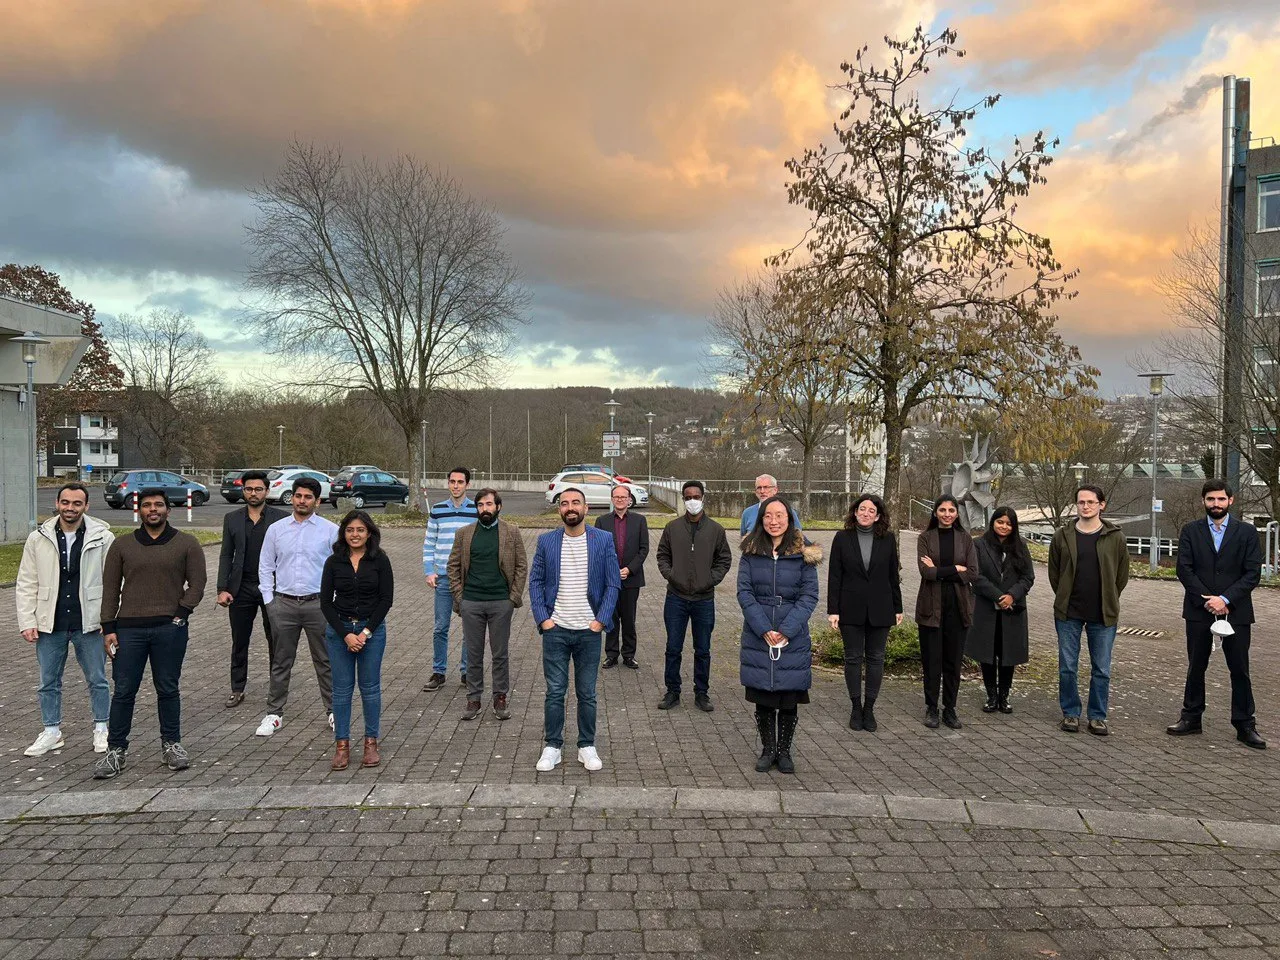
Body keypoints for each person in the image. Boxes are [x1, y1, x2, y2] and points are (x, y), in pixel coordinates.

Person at [93, 488, 207, 779]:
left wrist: (181, 614)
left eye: (158, 505)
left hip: (169, 629)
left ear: (169, 509)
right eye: (146, 505)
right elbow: (109, 590)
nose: (152, 509)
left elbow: (197, 584)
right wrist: (108, 628)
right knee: (124, 691)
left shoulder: (187, 544)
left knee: (168, 688)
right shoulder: (121, 546)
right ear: (139, 510)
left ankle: (172, 744)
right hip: (128, 629)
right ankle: (116, 750)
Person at [15, 482, 114, 756]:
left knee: (97, 679)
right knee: (48, 681)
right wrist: (27, 621)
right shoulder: (38, 538)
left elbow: (114, 581)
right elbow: (26, 582)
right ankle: (51, 731)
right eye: (66, 502)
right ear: (58, 504)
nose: (70, 508)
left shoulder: (103, 537)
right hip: (51, 622)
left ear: (86, 506)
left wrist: (110, 620)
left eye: (77, 503)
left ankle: (102, 728)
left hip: (90, 622)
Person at [1166, 481, 1266, 748]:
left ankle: (1245, 724)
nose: (1216, 504)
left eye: (1221, 499)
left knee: (1240, 669)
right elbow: (1184, 570)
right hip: (1200, 610)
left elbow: (1252, 572)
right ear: (1203, 501)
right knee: (1196, 666)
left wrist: (1225, 600)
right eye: (1211, 499)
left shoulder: (1246, 532)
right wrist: (1209, 601)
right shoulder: (1190, 531)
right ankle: (1191, 718)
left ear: (1231, 501)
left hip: (1236, 610)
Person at [529, 487, 621, 773]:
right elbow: (535, 581)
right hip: (556, 629)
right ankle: (552, 746)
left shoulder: (603, 540)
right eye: (565, 503)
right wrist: (544, 619)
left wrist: (601, 620)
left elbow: (613, 583)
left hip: (589, 631)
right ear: (559, 510)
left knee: (587, 693)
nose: (570, 507)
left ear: (586, 508)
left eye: (576, 502)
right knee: (555, 692)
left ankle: (586, 745)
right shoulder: (546, 542)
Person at [738, 497, 820, 774]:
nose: (774, 521)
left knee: (787, 699)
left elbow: (810, 596)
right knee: (764, 697)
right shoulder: (750, 551)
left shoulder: (804, 552)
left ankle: (784, 751)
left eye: (780, 515)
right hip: (759, 634)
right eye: (768, 516)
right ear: (761, 519)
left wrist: (786, 630)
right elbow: (744, 593)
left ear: (790, 518)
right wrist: (763, 629)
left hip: (792, 636)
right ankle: (767, 749)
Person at [255, 476, 339, 737]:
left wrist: (333, 601)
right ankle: (274, 713)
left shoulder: (329, 530)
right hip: (284, 604)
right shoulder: (276, 530)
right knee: (281, 661)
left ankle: (335, 712)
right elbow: (266, 566)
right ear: (292, 498)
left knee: (326, 661)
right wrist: (270, 602)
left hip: (318, 605)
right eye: (298, 496)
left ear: (317, 501)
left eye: (308, 497)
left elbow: (339, 567)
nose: (302, 501)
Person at [1048, 484, 1130, 737]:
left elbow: (1121, 575)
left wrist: (1109, 597)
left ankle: (1097, 716)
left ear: (1101, 505)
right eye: (1081, 502)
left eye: (1091, 502)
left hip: (1102, 613)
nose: (1085, 506)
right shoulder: (1063, 535)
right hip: (1069, 612)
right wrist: (1063, 595)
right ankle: (1071, 713)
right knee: (1067, 667)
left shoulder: (1115, 536)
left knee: (1101, 668)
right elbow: (1054, 572)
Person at [320, 510, 394, 770]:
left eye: (360, 530)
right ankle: (342, 745)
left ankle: (371, 742)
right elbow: (325, 603)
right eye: (350, 530)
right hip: (340, 631)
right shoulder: (333, 562)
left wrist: (364, 633)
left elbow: (386, 600)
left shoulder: (380, 560)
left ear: (369, 533)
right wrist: (346, 634)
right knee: (341, 690)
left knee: (370, 687)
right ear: (343, 533)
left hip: (371, 632)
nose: (355, 534)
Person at [448, 488, 528, 721]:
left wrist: (512, 598)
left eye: (489, 504)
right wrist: (460, 598)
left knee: (500, 654)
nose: (485, 509)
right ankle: (474, 699)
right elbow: (452, 566)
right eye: (481, 505)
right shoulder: (464, 533)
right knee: (473, 654)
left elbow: (521, 566)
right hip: (471, 603)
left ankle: (499, 697)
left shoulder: (511, 532)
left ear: (498, 507)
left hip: (500, 603)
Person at [827, 493, 902, 733]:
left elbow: (893, 577)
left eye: (871, 510)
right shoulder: (841, 538)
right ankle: (855, 706)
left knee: (876, 658)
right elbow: (834, 576)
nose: (866, 513)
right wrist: (833, 610)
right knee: (852, 658)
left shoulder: (888, 539)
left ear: (878, 515)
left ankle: (869, 708)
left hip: (882, 608)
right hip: (850, 608)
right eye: (862, 509)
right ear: (855, 512)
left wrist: (898, 608)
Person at [656, 479, 732, 712]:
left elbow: (724, 560)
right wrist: (671, 575)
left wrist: (710, 580)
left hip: (704, 599)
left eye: (696, 497)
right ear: (683, 499)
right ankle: (672, 691)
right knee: (673, 648)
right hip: (676, 598)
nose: (692, 501)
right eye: (687, 497)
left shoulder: (716, 530)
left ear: (703, 498)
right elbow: (662, 555)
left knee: (703, 649)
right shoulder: (672, 527)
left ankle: (702, 693)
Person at [215, 470, 287, 708]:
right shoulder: (232, 518)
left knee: (275, 639)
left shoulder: (281, 518)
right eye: (248, 489)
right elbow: (226, 554)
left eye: (258, 489)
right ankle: (237, 688)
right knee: (240, 640)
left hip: (273, 587)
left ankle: (276, 690)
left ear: (267, 491)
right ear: (243, 491)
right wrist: (222, 588)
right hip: (240, 588)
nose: (253, 493)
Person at [915, 495, 977, 730]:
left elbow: (971, 573)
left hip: (959, 609)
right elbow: (925, 573)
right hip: (931, 609)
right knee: (932, 662)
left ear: (957, 513)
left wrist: (939, 570)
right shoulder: (925, 538)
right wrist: (954, 569)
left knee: (952, 663)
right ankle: (931, 708)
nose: (947, 514)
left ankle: (949, 709)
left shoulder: (965, 539)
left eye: (951, 510)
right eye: (942, 510)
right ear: (935, 512)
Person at [967, 507, 1035, 715]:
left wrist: (1011, 596)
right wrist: (998, 596)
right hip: (987, 607)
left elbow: (1028, 577)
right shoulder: (979, 544)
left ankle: (1004, 696)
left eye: (1008, 523)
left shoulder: (1021, 546)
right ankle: (991, 695)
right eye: (1000, 522)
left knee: (1008, 654)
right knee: (987, 653)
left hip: (1013, 608)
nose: (1004, 527)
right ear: (992, 522)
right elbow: (975, 576)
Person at [422, 467, 478, 691]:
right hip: (444, 578)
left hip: (469, 579)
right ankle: (439, 671)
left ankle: (467, 672)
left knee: (469, 627)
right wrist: (429, 570)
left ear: (468, 485)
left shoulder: (476, 509)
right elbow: (429, 543)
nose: (456, 486)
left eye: (460, 482)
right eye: (452, 482)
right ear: (448, 484)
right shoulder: (437, 510)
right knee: (440, 627)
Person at [594, 484, 649, 668]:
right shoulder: (602, 521)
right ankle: (611, 654)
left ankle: (628, 654)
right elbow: (598, 551)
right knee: (610, 617)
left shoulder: (640, 520)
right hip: (609, 579)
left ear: (629, 500)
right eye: (616, 497)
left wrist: (629, 569)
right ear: (611, 499)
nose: (619, 499)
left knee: (628, 619)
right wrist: (612, 571)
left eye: (623, 497)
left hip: (631, 579)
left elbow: (643, 549)